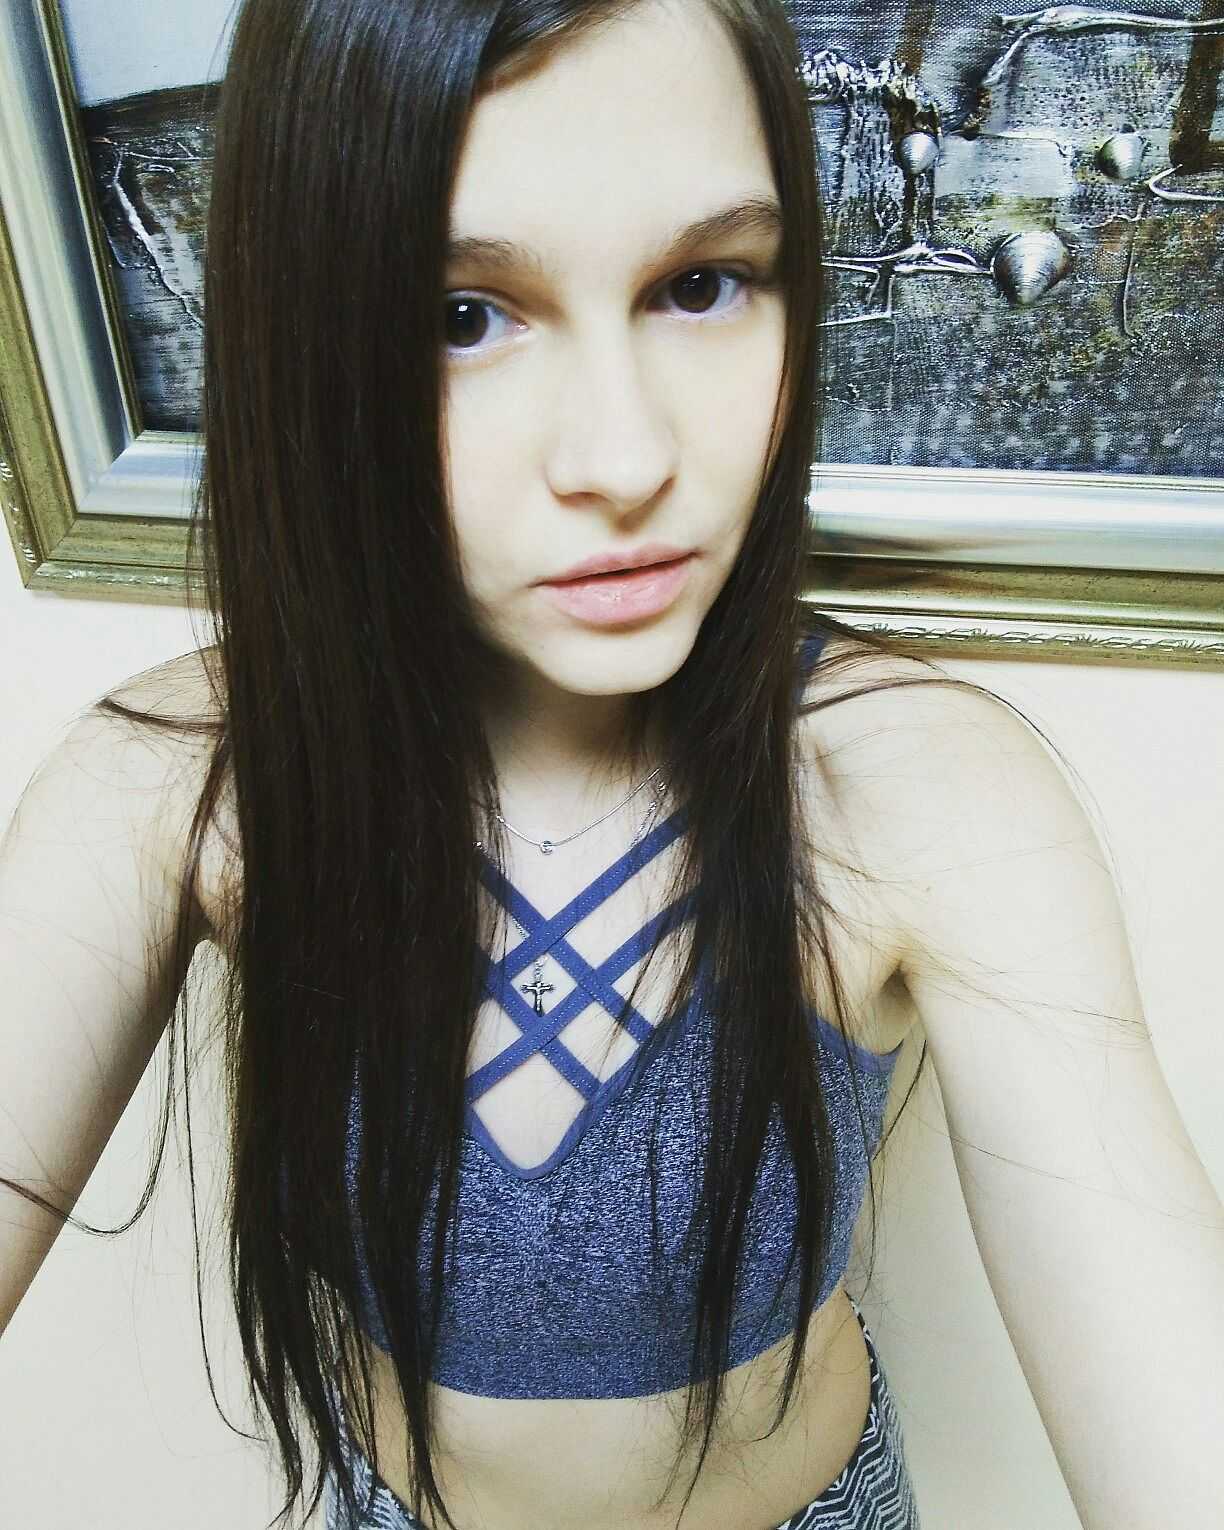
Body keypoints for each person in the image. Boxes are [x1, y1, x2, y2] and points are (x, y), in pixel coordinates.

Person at [2, 1, 1222, 1527]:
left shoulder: (912, 792)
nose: (628, 456)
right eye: (464, 315)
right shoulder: (181, 784)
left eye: (702, 285)